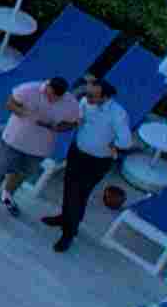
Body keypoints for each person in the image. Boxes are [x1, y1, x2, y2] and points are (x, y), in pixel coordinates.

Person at [0, 71, 89, 220]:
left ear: (62, 95)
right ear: (47, 86)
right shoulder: (29, 89)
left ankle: (7, 195)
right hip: (14, 140)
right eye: (49, 95)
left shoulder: (71, 103)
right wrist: (24, 113)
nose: (51, 99)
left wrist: (56, 127)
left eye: (55, 98)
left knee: (22, 173)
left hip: (40, 149)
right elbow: (9, 103)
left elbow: (73, 123)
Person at [54, 66, 135, 251]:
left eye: (92, 96)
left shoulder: (118, 114)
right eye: (87, 94)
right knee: (69, 187)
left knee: (80, 194)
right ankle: (64, 218)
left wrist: (112, 145)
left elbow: (126, 141)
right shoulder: (86, 102)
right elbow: (80, 118)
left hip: (97, 162)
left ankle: (68, 233)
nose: (87, 98)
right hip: (77, 152)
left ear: (105, 97)